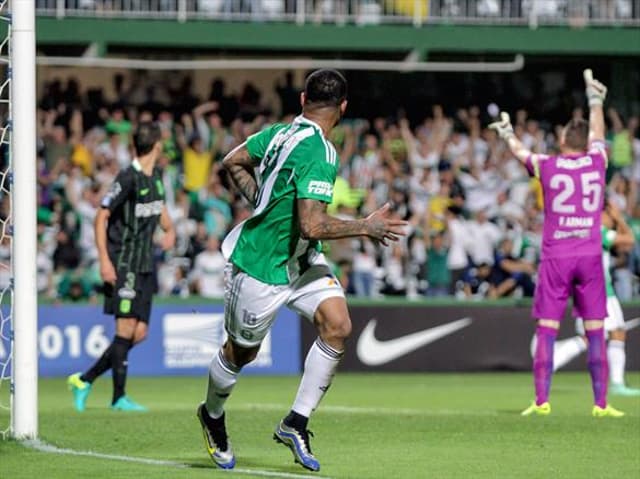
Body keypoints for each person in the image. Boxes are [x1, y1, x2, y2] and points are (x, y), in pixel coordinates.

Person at [196, 69, 407, 472]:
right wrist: (366, 226)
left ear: (302, 99)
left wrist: (262, 198)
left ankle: (295, 422)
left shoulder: (278, 132)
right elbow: (311, 224)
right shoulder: (321, 152)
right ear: (343, 108)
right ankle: (212, 415)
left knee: (338, 324)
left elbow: (233, 160)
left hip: (303, 260)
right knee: (241, 353)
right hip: (261, 266)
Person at [490, 69, 623, 417]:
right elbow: (598, 133)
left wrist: (507, 134)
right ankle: (601, 404)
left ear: (564, 139)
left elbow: (521, 153)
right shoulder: (598, 161)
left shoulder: (548, 165)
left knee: (548, 329)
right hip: (591, 254)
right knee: (596, 331)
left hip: (557, 256)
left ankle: (542, 400)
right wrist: (595, 101)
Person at [67, 122, 176, 412]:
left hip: (145, 265)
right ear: (156, 146)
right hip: (123, 263)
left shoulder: (157, 176)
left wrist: (170, 229)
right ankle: (118, 398)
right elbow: (100, 216)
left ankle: (84, 379)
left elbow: (160, 208)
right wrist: (104, 261)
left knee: (139, 334)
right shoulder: (127, 178)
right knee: (125, 329)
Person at [574, 201, 639, 396]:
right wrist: (620, 219)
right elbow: (629, 241)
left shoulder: (590, 231)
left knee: (615, 333)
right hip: (601, 290)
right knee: (609, 334)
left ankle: (615, 382)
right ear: (604, 214)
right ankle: (615, 384)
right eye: (612, 215)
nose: (614, 220)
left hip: (599, 288)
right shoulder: (599, 230)